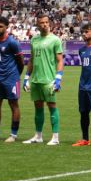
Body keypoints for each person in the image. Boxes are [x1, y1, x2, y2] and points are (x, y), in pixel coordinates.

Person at [23, 14, 65, 146]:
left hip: (49, 80)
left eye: (46, 22)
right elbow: (31, 59)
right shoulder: (34, 40)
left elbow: (60, 60)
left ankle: (55, 137)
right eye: (41, 23)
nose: (44, 25)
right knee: (38, 107)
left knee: (52, 106)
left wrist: (58, 78)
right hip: (36, 80)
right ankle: (38, 136)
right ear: (37, 24)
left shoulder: (55, 40)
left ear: (49, 23)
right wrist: (26, 77)